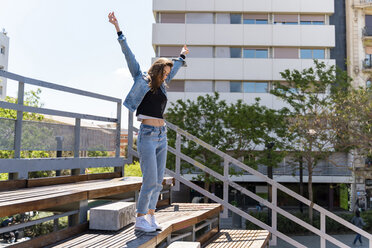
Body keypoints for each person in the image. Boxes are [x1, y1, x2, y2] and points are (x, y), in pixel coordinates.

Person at [108, 12, 188, 233]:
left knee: (159, 181)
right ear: (158, 69)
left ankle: (151, 216)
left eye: (168, 73)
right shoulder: (141, 78)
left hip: (162, 136)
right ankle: (141, 217)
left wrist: (181, 57)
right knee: (150, 179)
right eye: (165, 71)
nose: (167, 76)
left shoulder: (163, 84)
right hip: (147, 135)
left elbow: (177, 68)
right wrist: (118, 28)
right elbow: (128, 55)